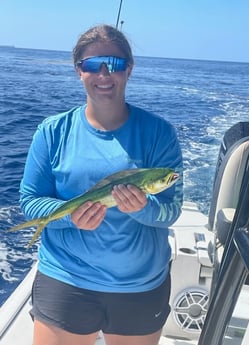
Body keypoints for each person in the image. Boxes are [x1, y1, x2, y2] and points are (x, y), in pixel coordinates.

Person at [20, 24, 183, 345]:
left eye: (116, 64)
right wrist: (69, 215)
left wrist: (143, 208)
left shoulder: (161, 134)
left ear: (129, 69)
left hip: (140, 287)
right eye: (93, 65)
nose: (104, 74)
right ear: (78, 70)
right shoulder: (52, 132)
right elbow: (30, 200)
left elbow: (171, 210)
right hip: (66, 280)